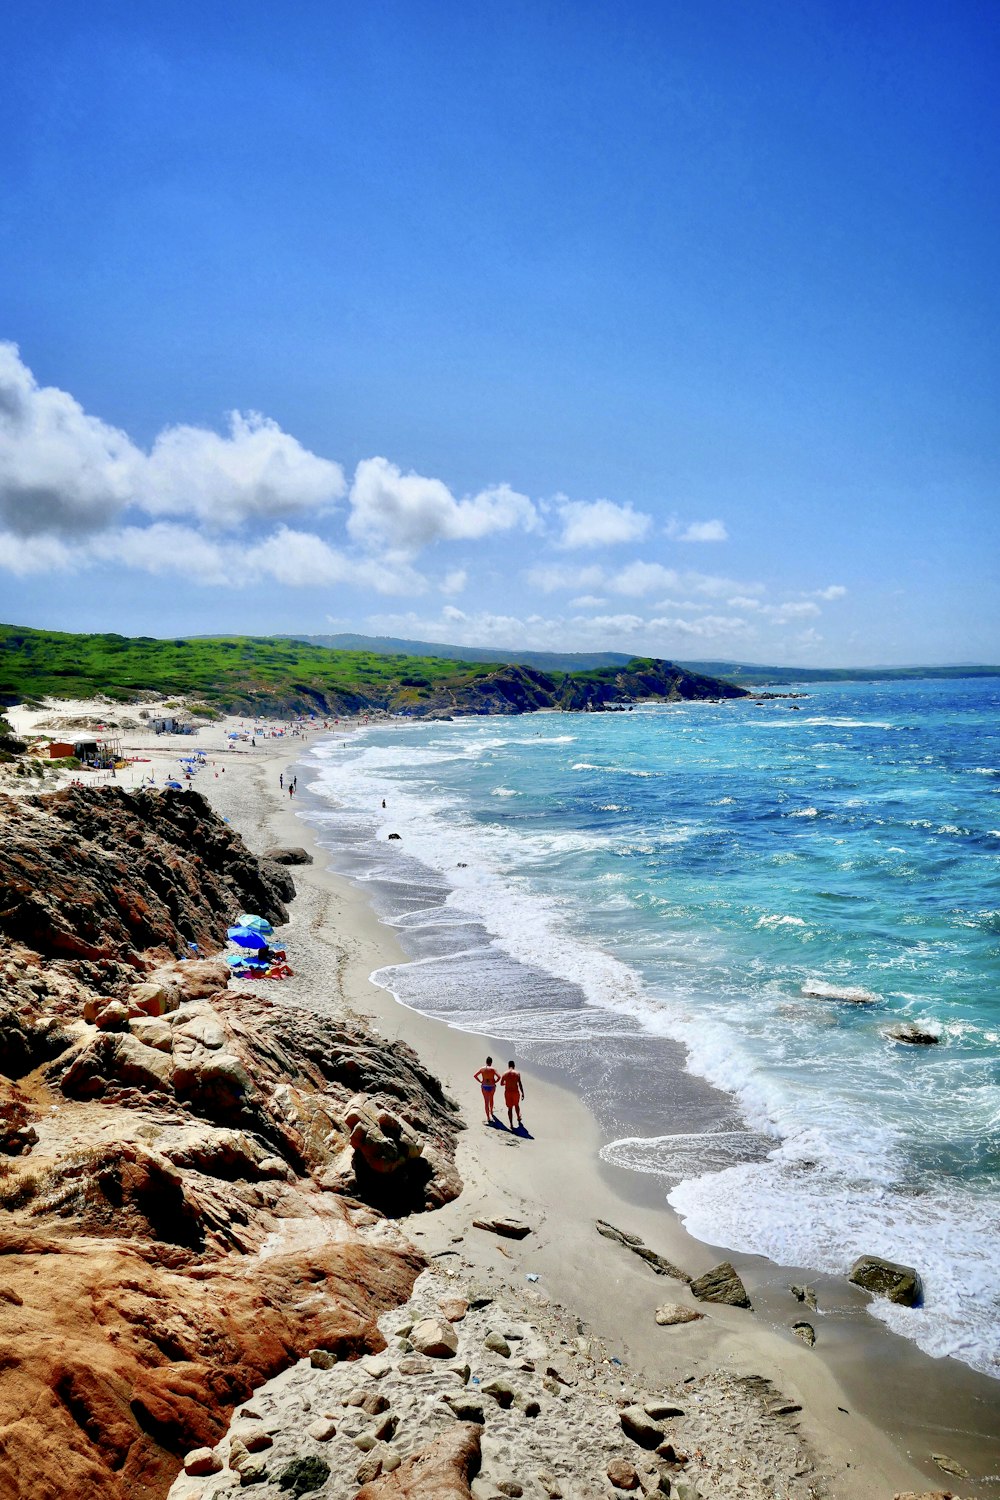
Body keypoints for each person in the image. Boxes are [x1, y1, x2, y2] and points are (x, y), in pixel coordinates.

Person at [474, 1057, 501, 1122]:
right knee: (491, 1098)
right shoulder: (493, 1069)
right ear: (491, 1062)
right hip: (492, 1086)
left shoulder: (482, 1069)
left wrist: (480, 1081)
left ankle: (488, 1117)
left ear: (486, 1062)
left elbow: (475, 1076)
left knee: (486, 1102)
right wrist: (495, 1082)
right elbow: (499, 1077)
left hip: (484, 1085)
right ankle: (491, 1111)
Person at [500, 1060, 524, 1129]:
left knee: (510, 1108)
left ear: (508, 1066)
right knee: (516, 1105)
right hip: (515, 1092)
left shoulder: (505, 1073)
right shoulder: (517, 1073)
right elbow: (520, 1084)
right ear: (514, 1066)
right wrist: (522, 1093)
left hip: (508, 1092)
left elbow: (501, 1084)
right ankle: (518, 1118)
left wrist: (506, 1083)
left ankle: (511, 1124)